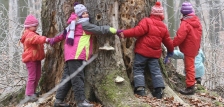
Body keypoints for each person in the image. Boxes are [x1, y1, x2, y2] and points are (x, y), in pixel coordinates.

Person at [49, 3, 122, 107]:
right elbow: (99, 29)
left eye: (87, 12)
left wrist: (53, 40)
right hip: (77, 55)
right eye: (83, 14)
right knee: (78, 78)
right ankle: (80, 101)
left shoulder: (73, 24)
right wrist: (115, 30)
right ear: (79, 15)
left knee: (68, 78)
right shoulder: (84, 25)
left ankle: (58, 101)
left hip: (70, 55)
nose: (86, 15)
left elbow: (61, 35)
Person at [119, 2, 174, 99]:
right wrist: (170, 51)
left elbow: (137, 31)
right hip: (154, 54)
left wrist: (124, 33)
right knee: (155, 71)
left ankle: (140, 89)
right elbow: (168, 41)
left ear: (152, 13)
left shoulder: (147, 21)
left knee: (138, 68)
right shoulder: (163, 27)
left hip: (142, 52)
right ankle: (159, 90)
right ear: (161, 15)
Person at [172, 1, 202, 95]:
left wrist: (172, 44)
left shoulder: (186, 23)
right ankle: (191, 84)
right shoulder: (197, 21)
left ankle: (190, 87)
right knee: (191, 66)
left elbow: (180, 37)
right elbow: (199, 35)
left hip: (188, 49)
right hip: (195, 48)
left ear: (183, 13)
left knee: (189, 68)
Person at [20, 14, 50, 102]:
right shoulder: (29, 34)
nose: (36, 27)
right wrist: (46, 39)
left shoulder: (32, 33)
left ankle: (32, 92)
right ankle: (29, 94)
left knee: (37, 75)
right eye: (35, 25)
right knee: (32, 76)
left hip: (36, 58)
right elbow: (36, 39)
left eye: (36, 25)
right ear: (29, 26)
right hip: (30, 59)